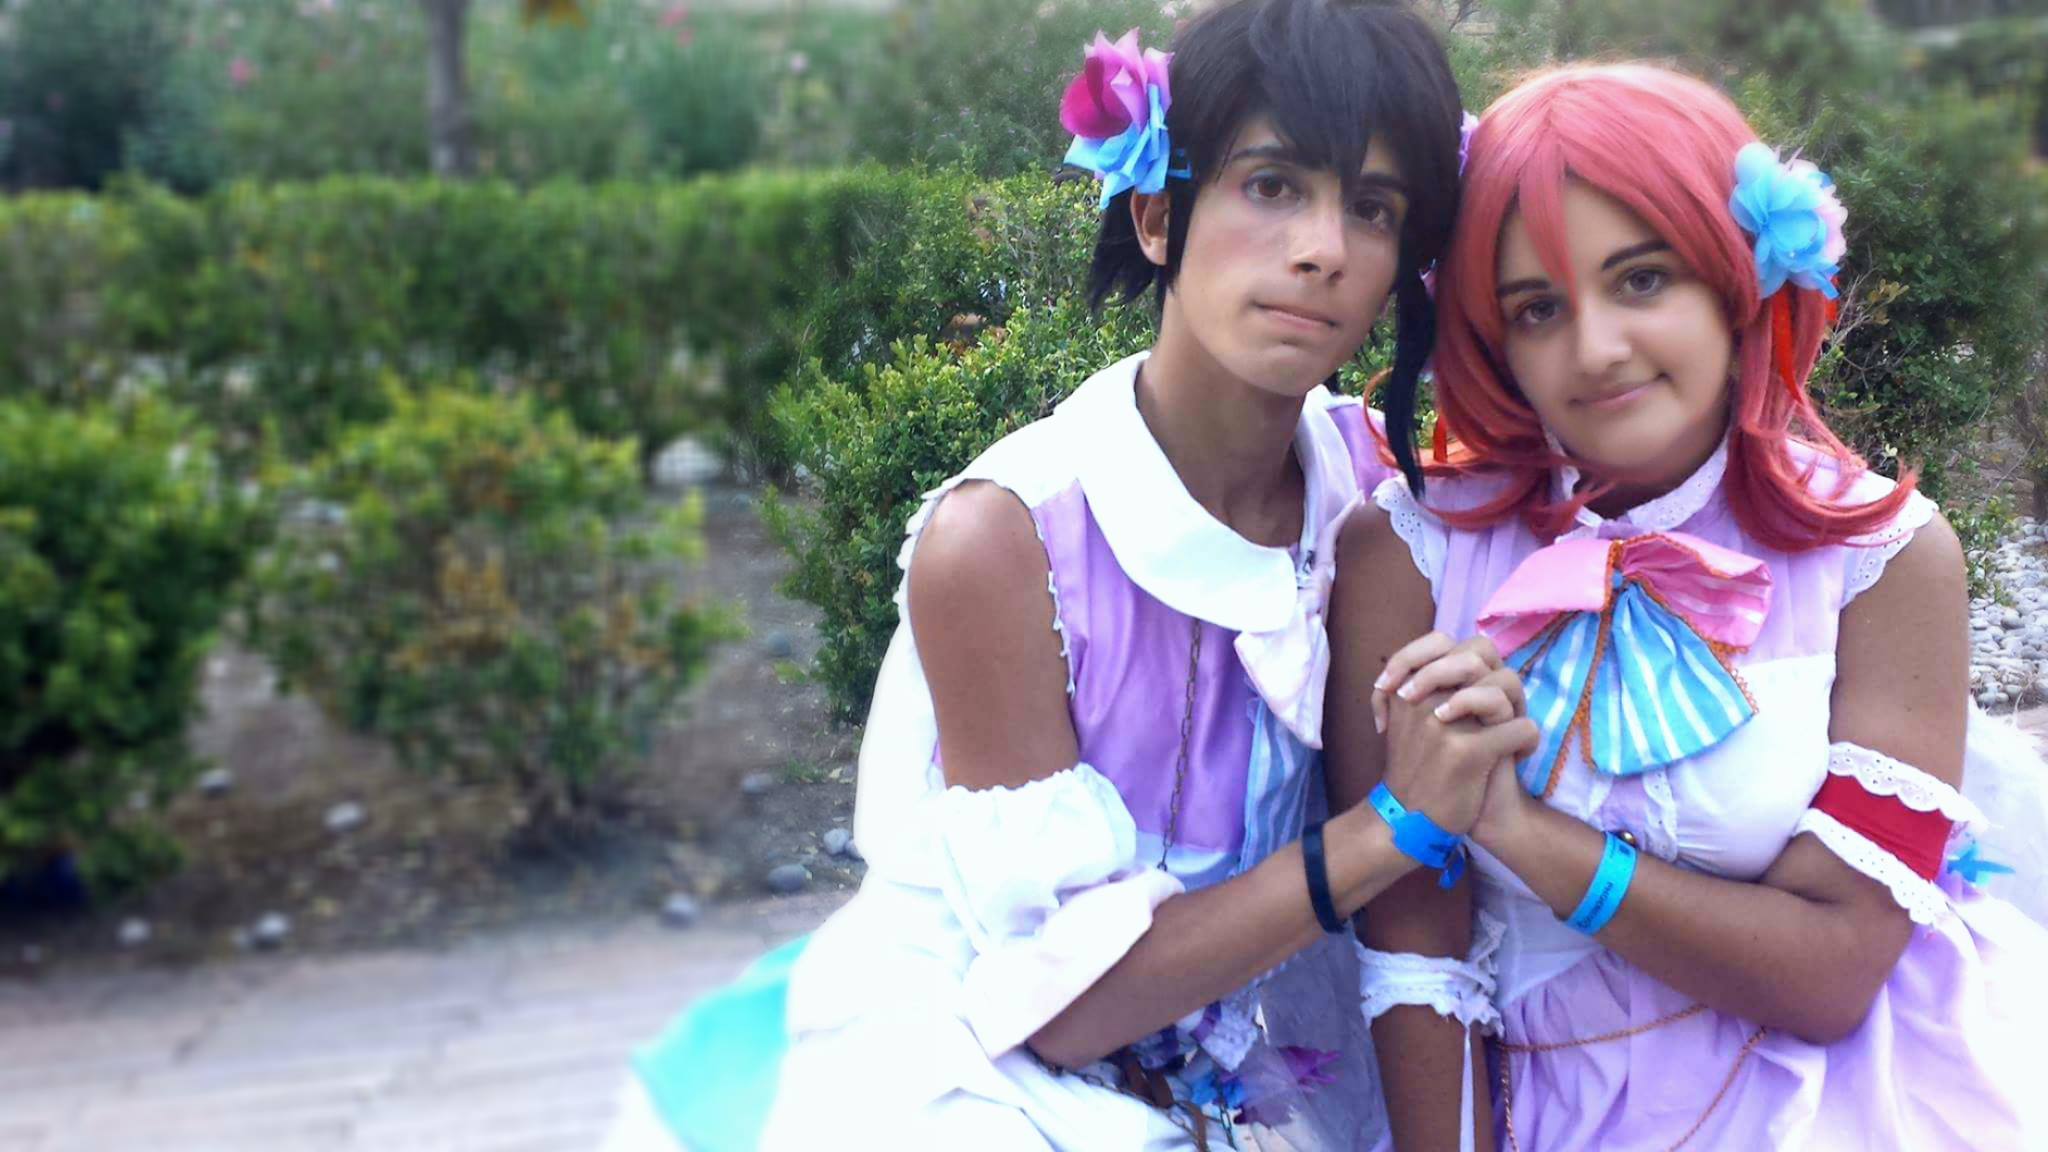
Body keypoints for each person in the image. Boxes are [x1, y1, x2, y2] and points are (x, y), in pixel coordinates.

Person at [602, 3, 1515, 1150]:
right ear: (1155, 215)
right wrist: (1387, 832)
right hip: (989, 1060)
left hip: (1252, 1045)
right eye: (1270, 185)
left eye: (1372, 207)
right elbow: (1063, 1009)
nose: (1322, 247)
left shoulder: (1367, 503)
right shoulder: (1005, 541)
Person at [1330, 62, 2048, 1150]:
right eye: (1537, 308)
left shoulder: (1884, 559)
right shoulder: (1409, 554)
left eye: (1640, 280)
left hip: (1851, 1105)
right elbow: (1412, 952)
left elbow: (1830, 974)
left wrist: (1521, 833)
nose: (1596, 349)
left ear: (1733, 277)